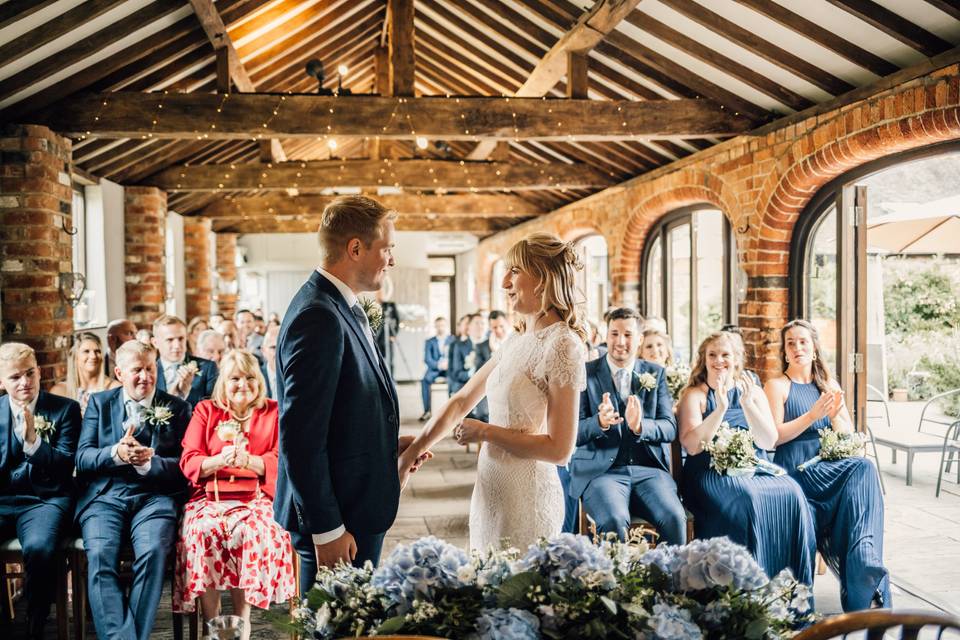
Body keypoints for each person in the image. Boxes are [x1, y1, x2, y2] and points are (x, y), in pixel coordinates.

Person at [274, 195, 429, 596]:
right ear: (355, 248)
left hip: (355, 498)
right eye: (387, 248)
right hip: (337, 518)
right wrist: (327, 530)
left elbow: (339, 411)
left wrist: (384, 448)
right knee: (332, 628)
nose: (391, 259)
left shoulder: (338, 306)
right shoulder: (318, 316)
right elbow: (301, 438)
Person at [399, 233, 587, 552]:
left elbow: (559, 450)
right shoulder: (515, 341)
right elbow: (460, 402)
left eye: (513, 271)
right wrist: (412, 453)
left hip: (527, 495)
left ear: (542, 278)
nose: (504, 283)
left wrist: (485, 431)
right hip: (490, 485)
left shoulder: (563, 345)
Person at [765, 319, 889, 610]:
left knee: (863, 469)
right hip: (795, 473)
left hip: (827, 469)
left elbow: (847, 436)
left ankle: (866, 566)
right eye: (791, 343)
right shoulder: (777, 385)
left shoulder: (828, 385)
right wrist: (811, 415)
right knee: (863, 468)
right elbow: (774, 437)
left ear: (814, 349)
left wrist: (833, 414)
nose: (797, 347)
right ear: (784, 352)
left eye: (803, 342)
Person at [677, 331, 816, 586]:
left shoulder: (752, 390)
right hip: (710, 472)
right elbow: (692, 446)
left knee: (793, 492)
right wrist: (719, 409)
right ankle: (747, 586)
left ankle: (787, 588)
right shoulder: (695, 395)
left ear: (736, 359)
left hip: (754, 466)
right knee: (747, 499)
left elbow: (767, 440)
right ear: (703, 359)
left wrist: (748, 404)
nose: (719, 361)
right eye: (713, 355)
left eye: (725, 355)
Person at [75, 340, 192, 640]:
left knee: (153, 552)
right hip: (105, 498)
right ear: (119, 373)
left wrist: (147, 465)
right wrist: (115, 453)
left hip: (155, 498)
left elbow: (184, 467)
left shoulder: (177, 408)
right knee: (100, 554)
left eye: (150, 368)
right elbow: (83, 458)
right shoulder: (99, 404)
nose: (145, 377)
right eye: (137, 370)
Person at [174, 350, 295, 635]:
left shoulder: (273, 411)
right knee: (202, 531)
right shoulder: (207, 411)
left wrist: (251, 461)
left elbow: (284, 461)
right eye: (235, 379)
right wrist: (219, 460)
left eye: (250, 377)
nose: (243, 384)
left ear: (260, 380)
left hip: (257, 497)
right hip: (209, 497)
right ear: (223, 383)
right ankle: (213, 624)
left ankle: (242, 622)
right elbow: (188, 460)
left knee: (252, 531)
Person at [570, 307, 686, 544]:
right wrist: (598, 422)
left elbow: (669, 427)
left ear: (640, 339)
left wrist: (641, 426)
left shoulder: (656, 373)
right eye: (614, 334)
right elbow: (573, 433)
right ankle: (614, 581)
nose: (620, 341)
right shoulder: (585, 374)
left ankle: (670, 580)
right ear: (607, 336)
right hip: (601, 473)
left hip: (650, 472)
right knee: (613, 521)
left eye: (628, 334)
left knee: (674, 517)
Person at [0, 343, 81, 640]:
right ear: (1, 381)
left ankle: (35, 623)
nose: (25, 382)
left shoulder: (65, 409)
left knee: (39, 548)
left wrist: (33, 441)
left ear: (39, 371)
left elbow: (64, 465)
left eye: (30, 373)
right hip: (4, 498)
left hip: (45, 500)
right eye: (15, 377)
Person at [152, 315, 218, 407]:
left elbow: (212, 408)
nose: (177, 345)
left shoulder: (208, 367)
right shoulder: (149, 371)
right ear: (155, 343)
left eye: (181, 338)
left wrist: (188, 391)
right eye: (170, 340)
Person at [50, 332, 121, 414]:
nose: (93, 356)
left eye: (97, 351)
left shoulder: (114, 388)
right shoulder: (59, 391)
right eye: (86, 351)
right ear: (74, 357)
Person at [448, 313, 491, 420]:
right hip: (464, 383)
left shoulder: (490, 345)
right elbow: (456, 373)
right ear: (469, 327)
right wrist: (472, 374)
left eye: (483, 323)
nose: (480, 326)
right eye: (477, 323)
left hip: (486, 385)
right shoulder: (459, 345)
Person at [420, 317, 454, 421]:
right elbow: (427, 359)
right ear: (435, 327)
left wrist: (449, 364)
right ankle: (427, 411)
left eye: (442, 325)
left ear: (446, 326)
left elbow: (456, 356)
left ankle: (451, 411)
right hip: (435, 369)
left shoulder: (452, 340)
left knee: (453, 381)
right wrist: (439, 365)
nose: (440, 328)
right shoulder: (429, 341)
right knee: (425, 380)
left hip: (449, 368)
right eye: (438, 325)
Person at [260, 324, 279, 399]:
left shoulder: (298, 376)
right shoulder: (255, 376)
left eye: (283, 347)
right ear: (263, 351)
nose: (278, 353)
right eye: (273, 347)